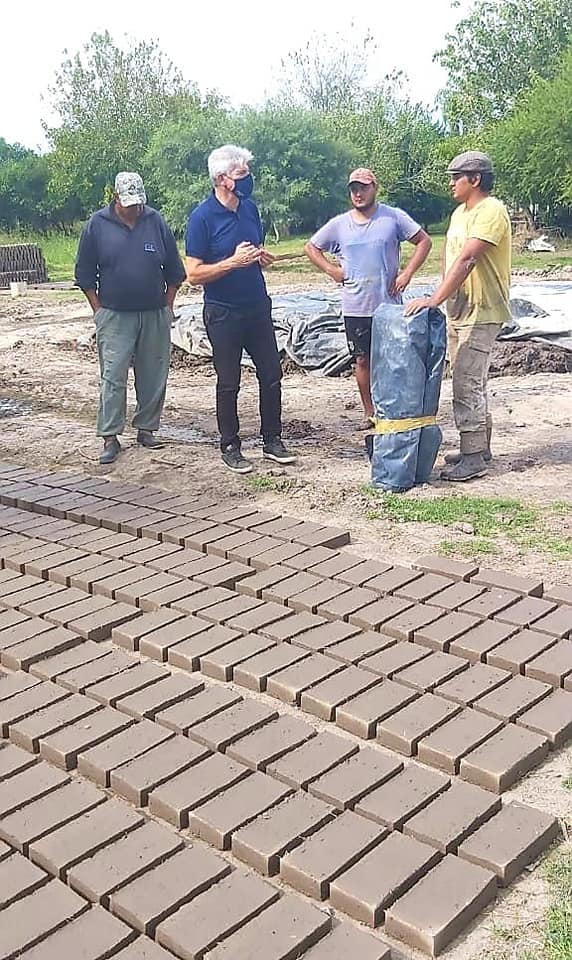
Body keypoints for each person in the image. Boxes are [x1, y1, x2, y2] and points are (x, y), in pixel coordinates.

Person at [185, 144, 295, 474]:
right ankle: (230, 446)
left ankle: (272, 440)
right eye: (241, 174)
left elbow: (253, 250)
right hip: (223, 311)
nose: (248, 179)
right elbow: (193, 274)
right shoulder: (202, 218)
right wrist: (231, 262)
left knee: (271, 374)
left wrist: (260, 258)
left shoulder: (250, 209)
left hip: (257, 305)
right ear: (222, 179)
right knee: (229, 381)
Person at [405, 151, 511, 482]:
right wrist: (444, 298)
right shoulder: (459, 213)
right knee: (471, 379)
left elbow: (467, 260)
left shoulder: (491, 211)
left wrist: (433, 300)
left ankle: (473, 457)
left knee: (466, 381)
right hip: (460, 309)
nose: (451, 183)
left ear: (475, 179)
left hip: (482, 309)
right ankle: (480, 447)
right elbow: (450, 257)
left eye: (456, 177)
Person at [304, 168, 432, 422]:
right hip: (356, 306)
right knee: (362, 360)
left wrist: (406, 274)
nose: (358, 193)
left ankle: (394, 408)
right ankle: (369, 412)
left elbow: (424, 241)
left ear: (375, 188)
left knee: (392, 359)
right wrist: (332, 270)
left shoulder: (393, 217)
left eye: (363, 188)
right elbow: (311, 247)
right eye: (354, 189)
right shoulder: (340, 225)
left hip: (388, 306)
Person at [75, 171, 185, 464]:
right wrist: (98, 312)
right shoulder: (97, 225)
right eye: (129, 203)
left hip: (154, 313)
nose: (135, 208)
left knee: (153, 374)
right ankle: (110, 437)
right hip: (114, 315)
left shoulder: (155, 221)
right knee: (113, 377)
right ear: (116, 198)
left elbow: (175, 271)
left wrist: (168, 307)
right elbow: (84, 274)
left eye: (139, 203)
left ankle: (146, 429)